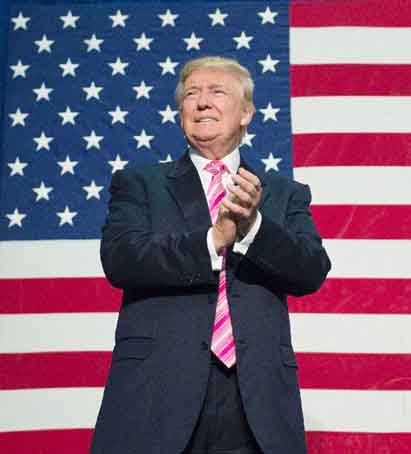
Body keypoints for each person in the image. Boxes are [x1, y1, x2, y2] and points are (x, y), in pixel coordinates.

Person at [91, 56, 331, 454]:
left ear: (246, 113)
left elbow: (311, 270)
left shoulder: (283, 193)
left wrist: (253, 228)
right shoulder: (139, 183)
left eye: (217, 91)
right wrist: (214, 238)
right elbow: (121, 258)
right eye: (191, 94)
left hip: (254, 401)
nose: (202, 102)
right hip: (157, 394)